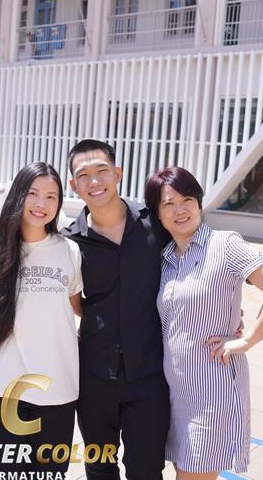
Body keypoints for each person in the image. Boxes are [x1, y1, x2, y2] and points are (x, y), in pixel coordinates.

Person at [144, 166, 263, 479]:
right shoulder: (166, 258)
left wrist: (247, 339)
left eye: (187, 200)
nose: (180, 210)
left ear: (199, 203)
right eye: (169, 203)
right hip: (173, 392)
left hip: (212, 390)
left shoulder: (224, 244)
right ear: (157, 213)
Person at [62, 139, 171, 479]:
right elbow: (72, 302)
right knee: (99, 468)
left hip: (150, 375)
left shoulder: (156, 224)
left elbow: (195, 263)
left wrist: (226, 312)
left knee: (146, 470)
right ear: (73, 185)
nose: (94, 181)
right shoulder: (69, 243)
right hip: (94, 377)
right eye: (84, 175)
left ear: (118, 173)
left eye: (102, 171)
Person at [0, 162, 83, 477]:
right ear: (18, 195)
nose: (41, 204)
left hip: (58, 389)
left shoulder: (69, 251)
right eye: (33, 193)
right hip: (4, 389)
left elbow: (77, 307)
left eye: (51, 197)